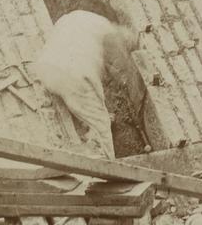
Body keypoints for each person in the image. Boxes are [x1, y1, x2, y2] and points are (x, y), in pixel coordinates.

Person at [28, 9, 139, 151]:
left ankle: (85, 121)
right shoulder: (111, 31)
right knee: (102, 126)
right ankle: (107, 167)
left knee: (84, 99)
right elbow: (119, 67)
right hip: (73, 78)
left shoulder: (76, 16)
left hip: (45, 69)